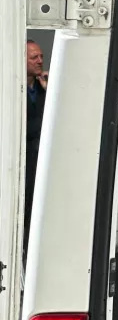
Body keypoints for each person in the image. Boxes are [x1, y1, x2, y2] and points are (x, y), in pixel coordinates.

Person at [24, 40, 47, 249]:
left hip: (42, 165)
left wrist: (50, 91)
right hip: (22, 168)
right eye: (34, 57)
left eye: (41, 56)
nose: (40, 61)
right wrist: (46, 121)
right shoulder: (11, 91)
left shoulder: (43, 89)